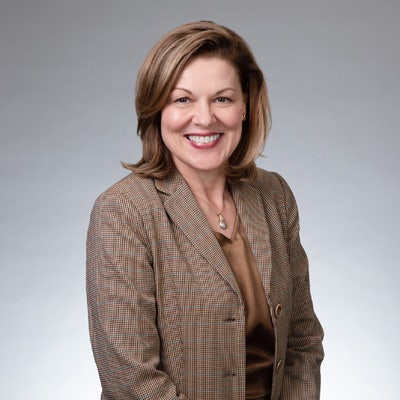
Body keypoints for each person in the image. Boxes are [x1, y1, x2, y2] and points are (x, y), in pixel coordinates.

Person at [86, 21, 324, 400]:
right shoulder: (123, 211)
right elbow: (130, 379)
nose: (204, 118)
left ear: (245, 106)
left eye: (222, 99)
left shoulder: (273, 194)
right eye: (182, 100)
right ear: (156, 110)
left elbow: (302, 339)